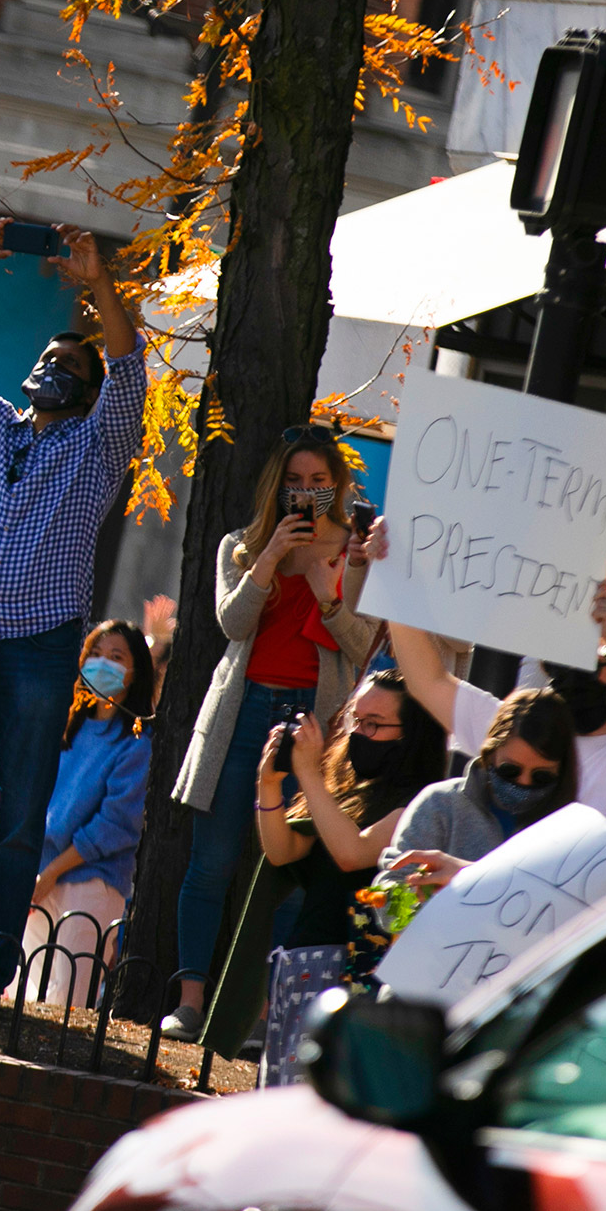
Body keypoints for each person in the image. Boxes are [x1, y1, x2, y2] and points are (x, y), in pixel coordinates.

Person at [0, 220, 142, 1000]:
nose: (50, 366)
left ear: (84, 390)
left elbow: (129, 374)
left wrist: (98, 284)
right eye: (46, 357)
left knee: (18, 817)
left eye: (66, 364)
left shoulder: (96, 445)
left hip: (39, 647)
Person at [165, 427, 372, 1036]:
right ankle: (191, 1003)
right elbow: (231, 624)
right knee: (214, 861)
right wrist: (273, 558)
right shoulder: (241, 545)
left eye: (318, 483)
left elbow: (362, 647)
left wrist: (321, 583)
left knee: (287, 868)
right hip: (245, 710)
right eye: (294, 483)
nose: (306, 494)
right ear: (275, 487)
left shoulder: (355, 553)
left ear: (335, 486)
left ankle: (260, 1011)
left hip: (316, 718)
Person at [253, 669, 448, 1083]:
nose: (359, 733)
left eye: (374, 724)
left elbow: (351, 852)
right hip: (300, 963)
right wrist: (269, 785)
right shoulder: (341, 786)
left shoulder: (419, 804)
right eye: (356, 721)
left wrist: (308, 774)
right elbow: (282, 850)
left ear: (411, 735)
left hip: (351, 973)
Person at [378, 552, 606, 815]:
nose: (575, 673)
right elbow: (426, 681)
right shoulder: (515, 731)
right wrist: (395, 578)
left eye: (592, 661)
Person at [25, 621, 152, 1008]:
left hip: (91, 882)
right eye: (95, 654)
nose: (103, 665)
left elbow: (114, 826)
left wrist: (52, 872)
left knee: (65, 1002)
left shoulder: (136, 743)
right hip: (38, 874)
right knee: (23, 995)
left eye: (116, 657)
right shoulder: (62, 727)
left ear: (136, 673)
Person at [382, 687, 581, 887]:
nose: (524, 783)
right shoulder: (440, 804)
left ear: (562, 771)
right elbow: (390, 885)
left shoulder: (576, 829)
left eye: (541, 777)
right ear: (490, 754)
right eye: (510, 770)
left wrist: (469, 877)